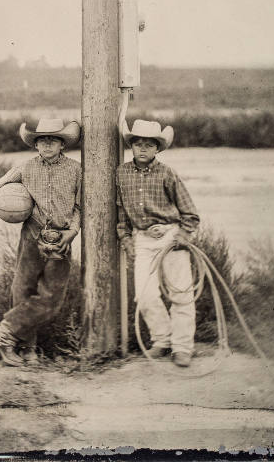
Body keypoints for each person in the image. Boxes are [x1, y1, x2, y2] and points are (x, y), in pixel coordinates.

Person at [0, 117, 81, 367]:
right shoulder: (25, 168)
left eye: (53, 140)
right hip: (32, 233)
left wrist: (73, 231)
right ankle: (25, 348)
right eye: (42, 140)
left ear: (62, 144)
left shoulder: (76, 170)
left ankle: (3, 333)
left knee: (52, 299)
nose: (47, 144)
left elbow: (79, 206)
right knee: (21, 289)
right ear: (35, 145)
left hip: (61, 238)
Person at [116, 119, 200, 367]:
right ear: (131, 146)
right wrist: (126, 239)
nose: (142, 149)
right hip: (142, 238)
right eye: (138, 144)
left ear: (157, 149)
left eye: (149, 145)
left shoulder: (167, 173)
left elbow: (190, 212)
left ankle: (182, 347)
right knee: (144, 294)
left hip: (170, 236)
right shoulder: (121, 173)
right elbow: (121, 214)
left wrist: (182, 237)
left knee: (180, 292)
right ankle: (162, 339)